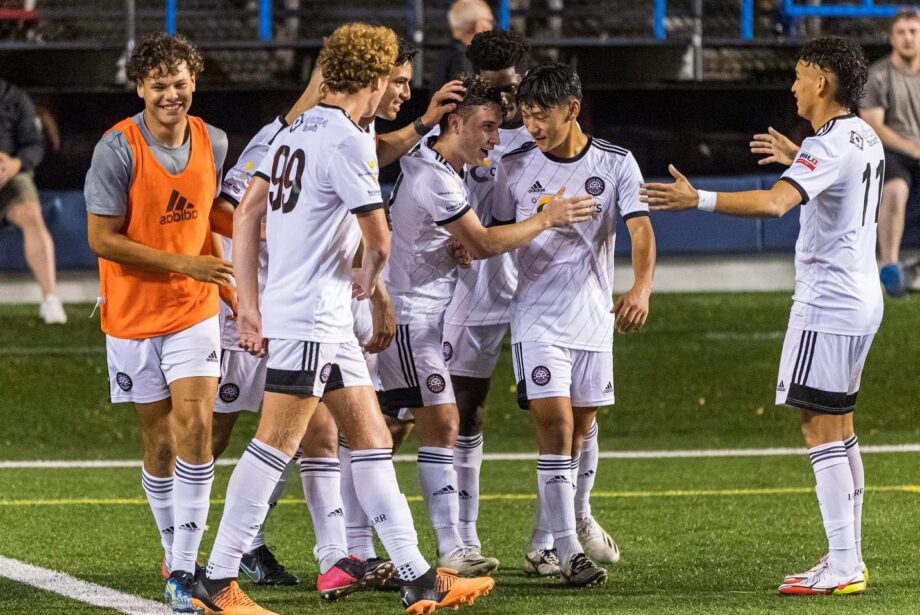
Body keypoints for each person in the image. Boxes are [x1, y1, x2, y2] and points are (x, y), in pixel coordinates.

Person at [196, 24, 496, 615]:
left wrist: (252, 302)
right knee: (274, 443)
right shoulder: (346, 139)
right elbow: (378, 237)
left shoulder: (291, 130)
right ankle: (218, 578)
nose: (399, 92)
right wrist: (370, 274)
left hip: (315, 316)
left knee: (371, 438)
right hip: (313, 315)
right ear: (377, 76)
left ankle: (418, 577)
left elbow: (249, 212)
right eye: (395, 80)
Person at [642, 36, 879, 596]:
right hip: (860, 298)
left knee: (819, 426)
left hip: (829, 302)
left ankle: (844, 564)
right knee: (840, 429)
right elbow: (838, 182)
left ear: (822, 82)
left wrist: (696, 199)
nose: (793, 85)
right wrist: (801, 159)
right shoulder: (861, 133)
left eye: (799, 75)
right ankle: (847, 556)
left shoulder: (827, 144)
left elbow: (775, 203)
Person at [376, 73, 597, 577]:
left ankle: (375, 549)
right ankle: (443, 548)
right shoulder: (434, 174)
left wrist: (455, 246)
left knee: (379, 434)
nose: (496, 140)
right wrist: (547, 217)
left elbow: (457, 240)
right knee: (433, 424)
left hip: (421, 319)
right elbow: (483, 243)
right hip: (409, 319)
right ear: (455, 122)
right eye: (488, 128)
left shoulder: (437, 169)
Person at [439, 29, 621, 577]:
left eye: (512, 91)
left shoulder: (539, 138)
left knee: (570, 413)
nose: (505, 104)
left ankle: (560, 530)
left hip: (531, 285)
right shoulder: (458, 129)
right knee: (464, 411)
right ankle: (465, 540)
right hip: (468, 287)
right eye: (492, 91)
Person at [83, 32, 234, 612]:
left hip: (194, 310)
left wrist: (239, 256)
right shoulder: (117, 148)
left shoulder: (212, 140)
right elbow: (101, 238)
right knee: (159, 441)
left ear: (193, 81)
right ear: (140, 87)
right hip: (131, 315)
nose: (171, 94)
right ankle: (173, 549)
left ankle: (187, 572)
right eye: (159, 85)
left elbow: (209, 207)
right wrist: (184, 261)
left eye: (180, 83)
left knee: (195, 427)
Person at [491, 62, 655, 587]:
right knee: (555, 428)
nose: (532, 126)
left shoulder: (615, 164)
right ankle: (568, 552)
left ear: (573, 110)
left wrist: (641, 287)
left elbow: (642, 230)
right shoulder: (513, 168)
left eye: (542, 116)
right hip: (536, 319)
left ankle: (555, 532)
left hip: (592, 320)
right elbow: (492, 234)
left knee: (581, 431)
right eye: (527, 115)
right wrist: (540, 220)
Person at [859, 9, 920, 296]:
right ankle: (890, 267)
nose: (908, 38)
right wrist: (913, 148)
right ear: (892, 38)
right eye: (902, 32)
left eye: (914, 31)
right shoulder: (877, 76)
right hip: (892, 150)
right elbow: (874, 126)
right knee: (894, 188)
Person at [0, 77, 65, 324]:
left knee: (31, 215)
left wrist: (14, 164)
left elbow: (34, 146)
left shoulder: (14, 98)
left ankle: (51, 299)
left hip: (10, 177)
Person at [436, 0, 494, 85]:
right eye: (489, 21)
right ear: (477, 25)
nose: (491, 26)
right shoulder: (464, 62)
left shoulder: (446, 55)